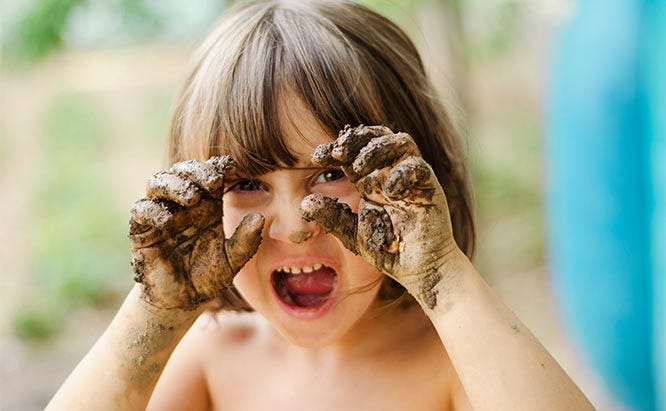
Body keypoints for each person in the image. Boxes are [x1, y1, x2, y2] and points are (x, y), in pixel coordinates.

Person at [47, 1, 594, 409]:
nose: (295, 226)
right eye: (247, 184)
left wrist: (443, 281)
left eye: (332, 174)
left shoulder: (457, 361)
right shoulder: (212, 359)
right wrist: (155, 313)